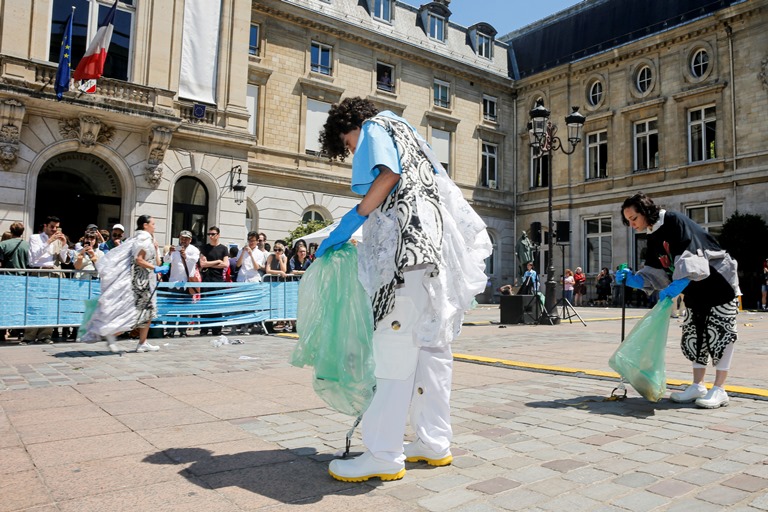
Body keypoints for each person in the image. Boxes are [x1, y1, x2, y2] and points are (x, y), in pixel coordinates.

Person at [316, 97, 491, 482]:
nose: (352, 151)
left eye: (348, 144)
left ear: (352, 127)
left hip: (405, 261)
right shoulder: (412, 136)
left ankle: (383, 453)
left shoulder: (376, 126)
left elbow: (388, 174)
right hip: (432, 260)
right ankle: (433, 442)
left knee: (392, 353)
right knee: (433, 354)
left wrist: (353, 218)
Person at [617, 192, 740, 409]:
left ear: (645, 212)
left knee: (721, 333)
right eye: (628, 221)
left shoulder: (673, 220)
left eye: (634, 218)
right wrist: (633, 279)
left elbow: (692, 256)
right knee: (696, 333)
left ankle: (720, 389)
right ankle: (698, 385)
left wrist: (676, 286)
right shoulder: (652, 235)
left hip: (719, 283)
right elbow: (656, 270)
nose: (632, 225)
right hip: (693, 288)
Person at [82, 215, 169, 352]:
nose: (155, 226)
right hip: (140, 283)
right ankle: (109, 333)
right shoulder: (143, 239)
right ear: (145, 225)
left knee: (146, 312)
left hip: (144, 281)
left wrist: (157, 260)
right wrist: (156, 268)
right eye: (153, 224)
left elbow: (153, 260)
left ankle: (142, 342)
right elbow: (139, 259)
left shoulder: (142, 239)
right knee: (135, 313)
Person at [25, 216, 70, 344]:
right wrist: (49, 241)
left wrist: (64, 245)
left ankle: (45, 335)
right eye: (52, 227)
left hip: (54, 273)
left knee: (50, 306)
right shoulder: (35, 238)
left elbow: (63, 259)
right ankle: (29, 336)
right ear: (45, 226)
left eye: (57, 227)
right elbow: (34, 257)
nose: (54, 229)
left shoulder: (58, 239)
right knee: (35, 305)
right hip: (39, 272)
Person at [163, 230, 200, 337]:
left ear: (190, 240)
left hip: (187, 283)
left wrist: (185, 255)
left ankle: (183, 330)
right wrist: (170, 252)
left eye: (186, 239)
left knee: (185, 308)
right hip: (174, 282)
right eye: (182, 238)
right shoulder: (175, 249)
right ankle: (170, 330)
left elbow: (195, 260)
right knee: (171, 308)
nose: (184, 240)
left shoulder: (194, 250)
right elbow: (166, 260)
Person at [199, 226, 229, 336]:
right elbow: (202, 264)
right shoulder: (204, 248)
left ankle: (217, 329)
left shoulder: (223, 248)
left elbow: (225, 264)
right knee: (205, 304)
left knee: (217, 304)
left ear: (218, 235)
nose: (210, 236)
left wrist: (209, 264)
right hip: (206, 279)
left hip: (218, 280)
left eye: (213, 234)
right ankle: (204, 329)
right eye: (209, 234)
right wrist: (217, 261)